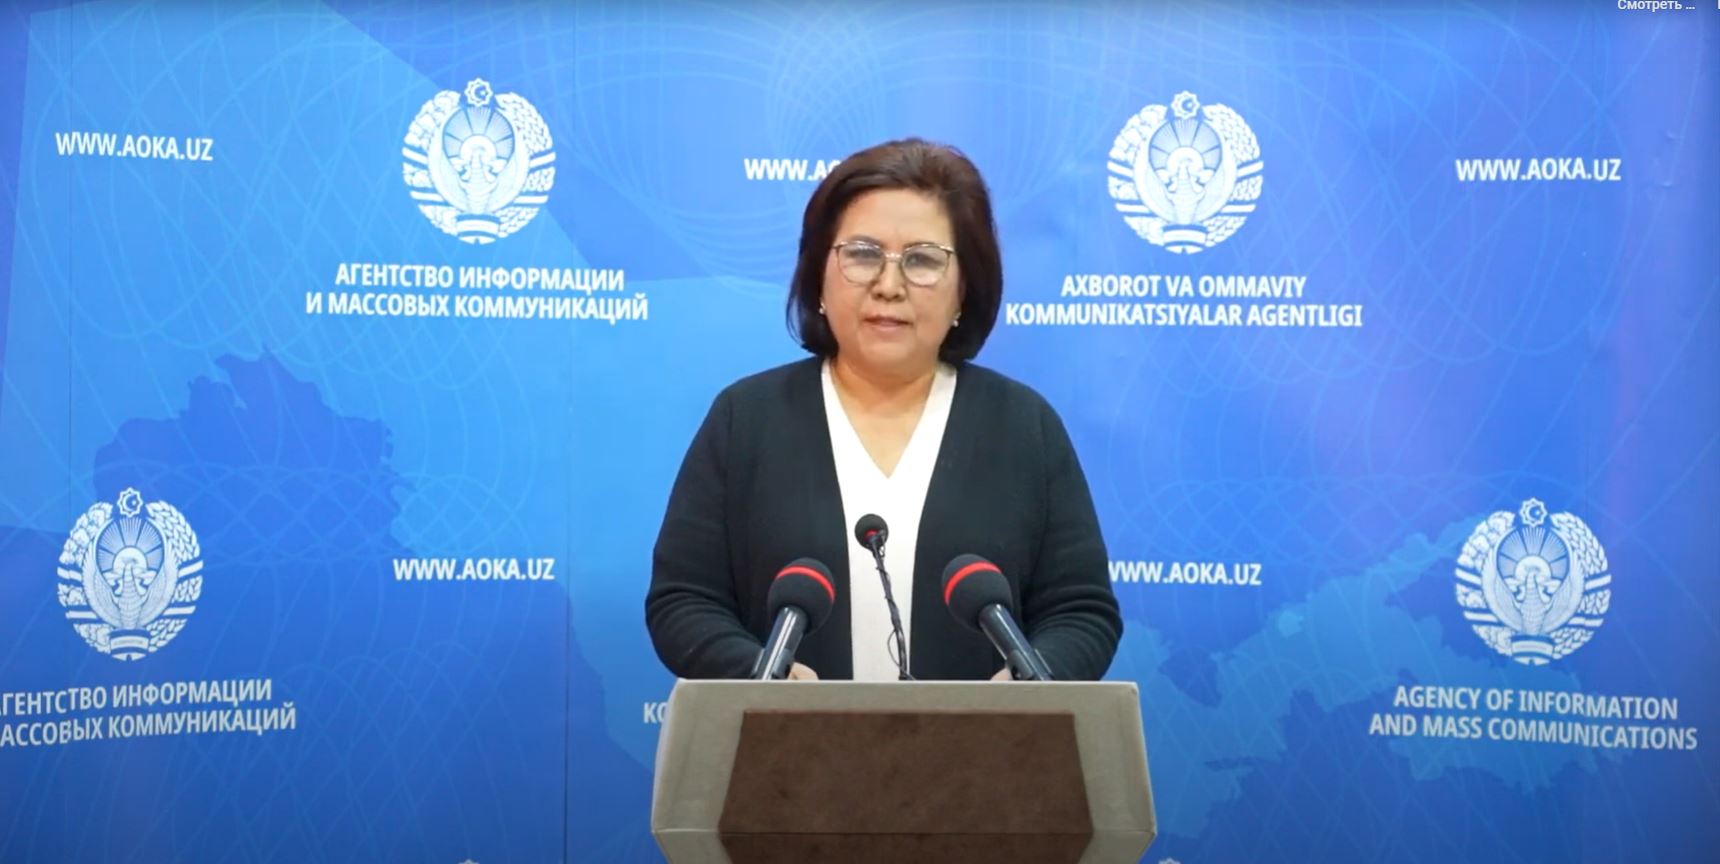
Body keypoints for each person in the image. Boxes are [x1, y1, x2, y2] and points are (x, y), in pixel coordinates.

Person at [646, 138, 1121, 682]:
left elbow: (1081, 612)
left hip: (982, 736)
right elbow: (684, 602)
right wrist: (763, 677)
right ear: (818, 276)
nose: (889, 286)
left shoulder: (1021, 426)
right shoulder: (747, 419)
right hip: (784, 734)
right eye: (863, 254)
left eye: (922, 260)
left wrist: (1028, 685)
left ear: (964, 290)